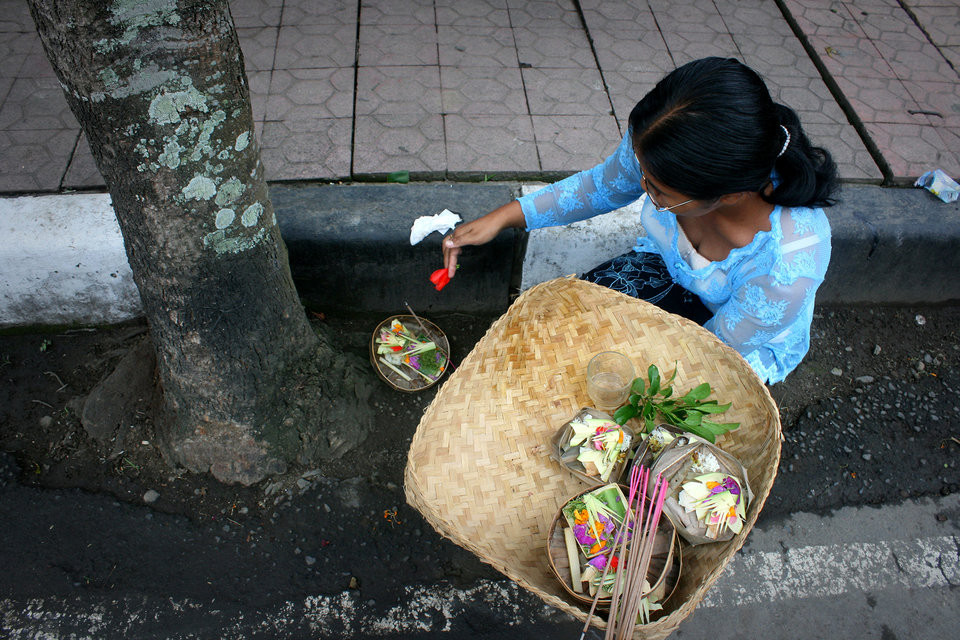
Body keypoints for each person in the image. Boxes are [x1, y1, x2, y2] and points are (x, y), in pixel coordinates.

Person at [442, 57, 838, 385]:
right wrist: (507, 216)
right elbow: (600, 187)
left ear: (728, 196)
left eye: (658, 192)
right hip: (670, 274)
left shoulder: (785, 267)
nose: (640, 185)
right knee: (565, 332)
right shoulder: (661, 147)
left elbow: (710, 353)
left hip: (734, 340)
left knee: (622, 399)